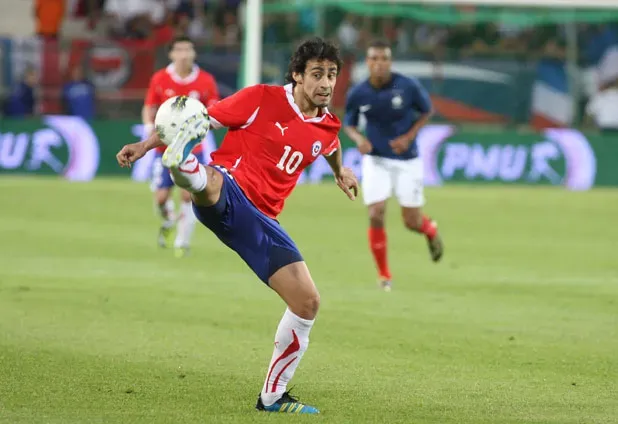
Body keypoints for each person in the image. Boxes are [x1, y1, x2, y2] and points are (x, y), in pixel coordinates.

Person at [116, 37, 359, 414]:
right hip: (229, 190)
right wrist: (148, 145)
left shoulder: (327, 125)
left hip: (262, 220)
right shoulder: (261, 97)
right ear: (297, 75)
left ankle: (272, 398)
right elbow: (198, 119)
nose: (326, 83)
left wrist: (340, 171)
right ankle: (183, 166)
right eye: (316, 74)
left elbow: (329, 145)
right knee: (212, 183)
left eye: (331, 75)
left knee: (307, 302)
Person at [343, 39, 443, 292]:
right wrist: (359, 140)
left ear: (390, 61)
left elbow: (427, 111)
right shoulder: (358, 93)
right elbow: (349, 124)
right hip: (376, 160)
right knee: (376, 213)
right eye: (374, 59)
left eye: (384, 59)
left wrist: (409, 136)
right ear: (367, 62)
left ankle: (430, 229)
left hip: (407, 160)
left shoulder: (407, 86)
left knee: (411, 221)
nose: (379, 64)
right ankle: (384, 275)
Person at [143, 35, 220, 257]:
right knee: (160, 198)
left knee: (189, 195)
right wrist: (149, 125)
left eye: (188, 49)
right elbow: (149, 105)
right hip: (162, 149)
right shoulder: (160, 78)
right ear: (172, 54)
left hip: (192, 148)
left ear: (194, 53)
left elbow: (213, 109)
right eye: (180, 50)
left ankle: (182, 242)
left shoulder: (205, 80)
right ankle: (168, 223)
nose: (184, 54)